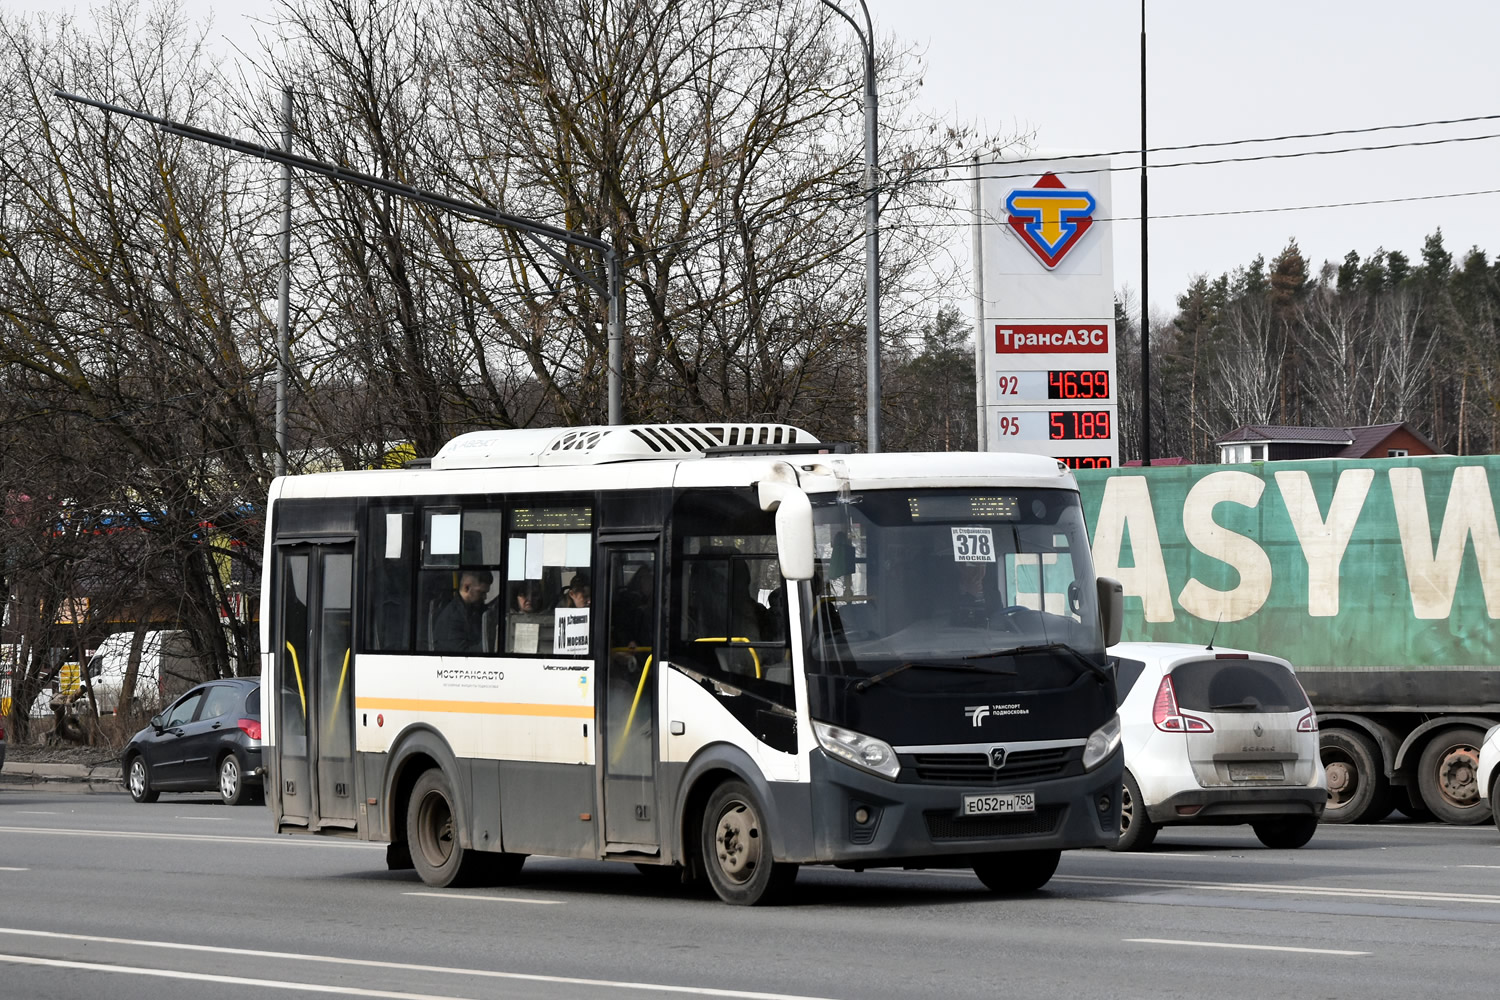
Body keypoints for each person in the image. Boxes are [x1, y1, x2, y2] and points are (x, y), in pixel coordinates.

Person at [433, 569, 492, 652]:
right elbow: (463, 655)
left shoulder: (472, 609)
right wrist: (492, 640)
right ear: (466, 587)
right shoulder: (451, 620)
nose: (485, 597)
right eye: (481, 593)